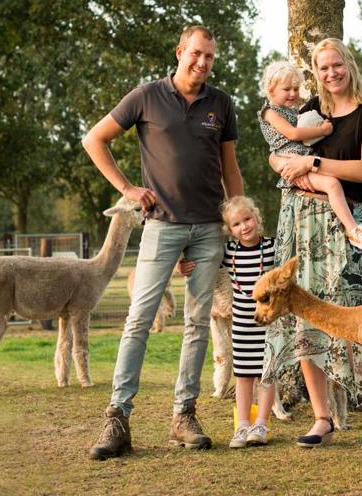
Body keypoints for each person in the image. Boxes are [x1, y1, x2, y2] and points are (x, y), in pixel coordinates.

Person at [83, 25, 244, 459]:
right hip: (162, 226)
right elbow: (93, 139)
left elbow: (230, 169)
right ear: (179, 52)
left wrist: (239, 215)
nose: (202, 63)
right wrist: (128, 189)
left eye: (210, 57)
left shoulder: (221, 104)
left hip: (209, 230)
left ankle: (183, 415)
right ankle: (117, 419)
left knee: (197, 323)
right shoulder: (146, 96)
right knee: (139, 320)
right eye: (196, 54)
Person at [261, 38, 362, 450]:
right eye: (323, 68)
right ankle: (322, 417)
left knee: (356, 311)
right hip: (298, 218)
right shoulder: (307, 112)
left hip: (343, 220)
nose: (331, 73)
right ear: (315, 73)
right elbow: (279, 152)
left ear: (348, 64)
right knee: (301, 313)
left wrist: (313, 163)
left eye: (337, 64)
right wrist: (282, 163)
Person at [181, 196, 277, 448]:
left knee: (266, 374)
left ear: (256, 217)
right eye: (236, 224)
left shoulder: (272, 247)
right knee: (244, 374)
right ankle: (243, 425)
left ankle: (262, 425)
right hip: (242, 323)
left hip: (269, 323)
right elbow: (204, 264)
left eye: (247, 219)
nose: (244, 226)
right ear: (229, 230)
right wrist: (185, 265)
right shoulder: (229, 252)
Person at [259, 61, 362, 249]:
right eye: (286, 89)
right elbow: (293, 134)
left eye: (296, 89)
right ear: (271, 90)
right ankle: (353, 230)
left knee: (333, 183)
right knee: (332, 184)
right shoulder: (269, 112)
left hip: (300, 161)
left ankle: (352, 227)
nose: (293, 94)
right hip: (290, 163)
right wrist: (322, 130)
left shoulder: (294, 110)